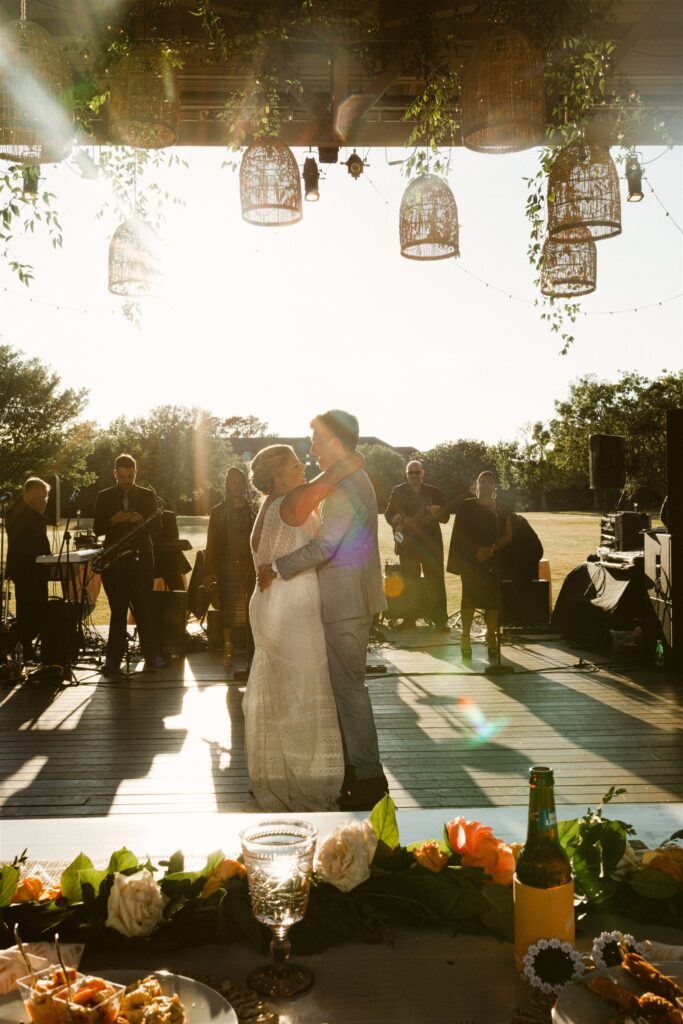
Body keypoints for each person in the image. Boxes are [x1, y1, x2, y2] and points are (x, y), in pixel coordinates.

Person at [257, 410, 389, 812]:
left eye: (315, 439)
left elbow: (327, 547)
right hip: (345, 598)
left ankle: (368, 779)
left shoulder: (347, 485)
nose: (310, 448)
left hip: (345, 600)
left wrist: (278, 568)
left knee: (349, 689)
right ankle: (354, 771)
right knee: (344, 689)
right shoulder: (346, 479)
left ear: (334, 441)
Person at [245, 443, 361, 811]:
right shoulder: (293, 501)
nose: (304, 468)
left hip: (268, 603)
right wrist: (345, 449)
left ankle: (278, 776)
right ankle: (308, 780)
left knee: (281, 693)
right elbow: (340, 473)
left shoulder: (265, 507)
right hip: (292, 605)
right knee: (302, 689)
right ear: (279, 477)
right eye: (296, 465)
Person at [93, 454, 164, 675]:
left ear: (136, 473)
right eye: (122, 476)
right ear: (115, 474)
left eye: (130, 476)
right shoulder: (104, 497)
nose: (126, 480)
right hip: (114, 562)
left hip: (141, 560)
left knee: (143, 608)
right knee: (117, 610)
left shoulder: (147, 496)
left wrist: (142, 520)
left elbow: (158, 529)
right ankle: (113, 658)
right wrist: (113, 520)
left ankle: (152, 655)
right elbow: (97, 529)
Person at [447, 470, 512, 658]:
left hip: (493, 560)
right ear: (477, 485)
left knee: (492, 602)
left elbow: (508, 534)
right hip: (470, 561)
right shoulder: (466, 507)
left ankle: (491, 638)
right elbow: (459, 535)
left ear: (494, 487)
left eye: (489, 482)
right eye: (482, 481)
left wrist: (491, 549)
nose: (485, 485)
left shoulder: (502, 508)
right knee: (469, 599)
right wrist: (475, 552)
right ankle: (465, 637)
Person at [384, 460, 450, 631]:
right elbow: (389, 514)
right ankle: (409, 620)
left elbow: (446, 518)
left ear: (423, 473)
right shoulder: (398, 491)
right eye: (410, 472)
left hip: (431, 544)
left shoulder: (435, 492)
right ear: (407, 475)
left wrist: (438, 512)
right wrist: (402, 520)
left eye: (416, 472)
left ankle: (440, 621)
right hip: (408, 544)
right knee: (409, 581)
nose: (414, 475)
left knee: (435, 581)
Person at [204, 467, 257, 668]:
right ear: (227, 485)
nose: (237, 485)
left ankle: (253, 650)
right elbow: (211, 544)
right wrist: (209, 572)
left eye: (240, 482)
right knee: (228, 608)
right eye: (233, 482)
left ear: (245, 485)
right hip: (227, 565)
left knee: (252, 607)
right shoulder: (218, 511)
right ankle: (228, 645)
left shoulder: (253, 510)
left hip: (250, 565)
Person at [6, 477, 51, 660]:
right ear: (31, 492)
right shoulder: (16, 513)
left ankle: (28, 645)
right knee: (28, 610)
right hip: (26, 569)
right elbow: (31, 541)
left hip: (35, 568)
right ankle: (23, 645)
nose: (45, 501)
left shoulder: (27, 512)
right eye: (43, 497)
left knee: (37, 608)